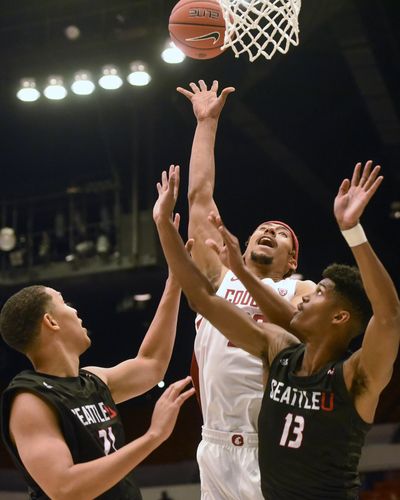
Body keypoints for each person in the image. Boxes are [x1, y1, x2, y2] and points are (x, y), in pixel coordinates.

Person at [153, 161, 400, 499]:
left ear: (339, 317)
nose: (304, 300)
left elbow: (388, 316)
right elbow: (203, 301)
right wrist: (165, 227)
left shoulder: (353, 376)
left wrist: (353, 231)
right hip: (225, 452)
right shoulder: (280, 351)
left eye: (317, 295)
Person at [176, 80, 316, 499]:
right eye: (263, 228)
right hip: (214, 443)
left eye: (282, 233)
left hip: (268, 444)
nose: (270, 231)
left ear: (292, 259)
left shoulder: (299, 287)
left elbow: (301, 331)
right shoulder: (221, 278)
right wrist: (206, 124)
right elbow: (200, 199)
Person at [0, 250, 195, 500]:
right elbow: (65, 489)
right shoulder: (30, 400)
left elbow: (151, 363)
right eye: (65, 304)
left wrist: (174, 283)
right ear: (51, 321)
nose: (75, 312)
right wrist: (152, 436)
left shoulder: (93, 380)